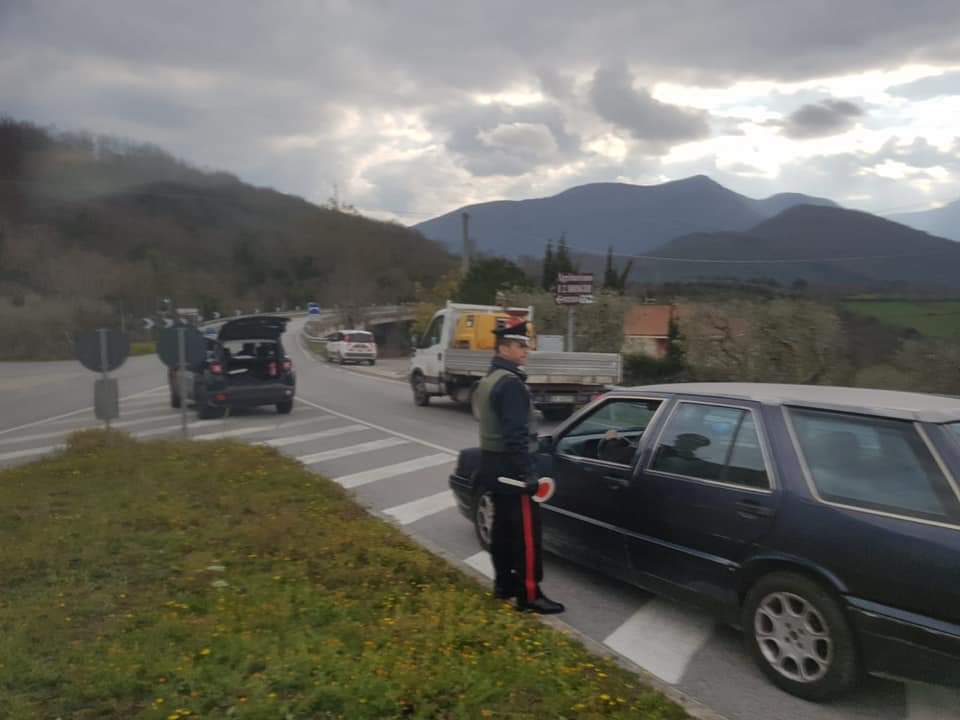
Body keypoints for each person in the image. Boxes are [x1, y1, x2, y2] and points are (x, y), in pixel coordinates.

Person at [473, 319, 564, 614]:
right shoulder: (511, 385)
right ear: (504, 348)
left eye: (526, 345)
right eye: (520, 345)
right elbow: (516, 436)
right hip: (513, 470)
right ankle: (529, 595)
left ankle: (504, 584)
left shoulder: (490, 379)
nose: (526, 350)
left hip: (492, 463)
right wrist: (529, 475)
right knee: (526, 534)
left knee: (501, 529)